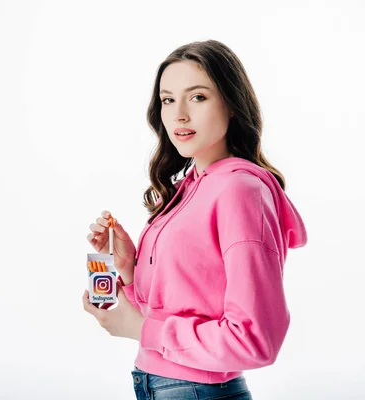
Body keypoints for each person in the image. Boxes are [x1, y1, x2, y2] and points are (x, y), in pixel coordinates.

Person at [82, 39, 308, 400]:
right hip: (157, 384)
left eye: (198, 97)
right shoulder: (186, 189)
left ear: (232, 105)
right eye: (168, 99)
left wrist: (142, 330)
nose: (178, 114)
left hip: (198, 391)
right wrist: (128, 270)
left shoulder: (238, 190)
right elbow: (175, 310)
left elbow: (255, 340)